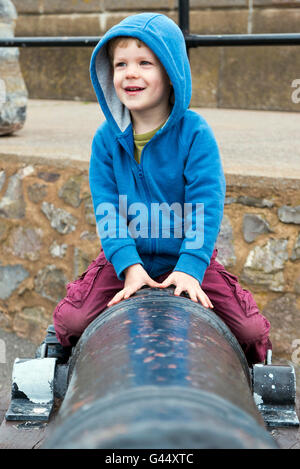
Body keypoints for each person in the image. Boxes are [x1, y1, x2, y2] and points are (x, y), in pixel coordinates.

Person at [53, 13, 271, 365]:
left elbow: (205, 206)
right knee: (71, 320)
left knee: (250, 330)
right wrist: (128, 265)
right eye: (121, 64)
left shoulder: (195, 134)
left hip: (185, 254)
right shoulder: (105, 140)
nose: (130, 73)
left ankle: (253, 378)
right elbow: (107, 210)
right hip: (126, 256)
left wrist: (191, 267)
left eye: (145, 63)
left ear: (171, 74)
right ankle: (66, 368)